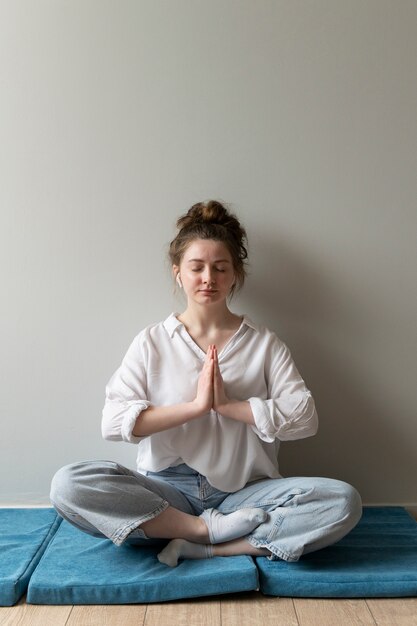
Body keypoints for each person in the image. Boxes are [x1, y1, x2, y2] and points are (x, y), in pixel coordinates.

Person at [50, 200, 362, 567]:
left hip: (246, 494)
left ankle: (208, 546)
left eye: (220, 268)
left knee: (343, 501)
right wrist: (195, 408)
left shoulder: (263, 343)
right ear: (178, 273)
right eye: (196, 268)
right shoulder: (152, 341)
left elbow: (305, 419)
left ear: (235, 274)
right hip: (167, 495)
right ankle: (200, 529)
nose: (208, 279)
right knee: (68, 485)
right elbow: (113, 421)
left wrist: (231, 407)